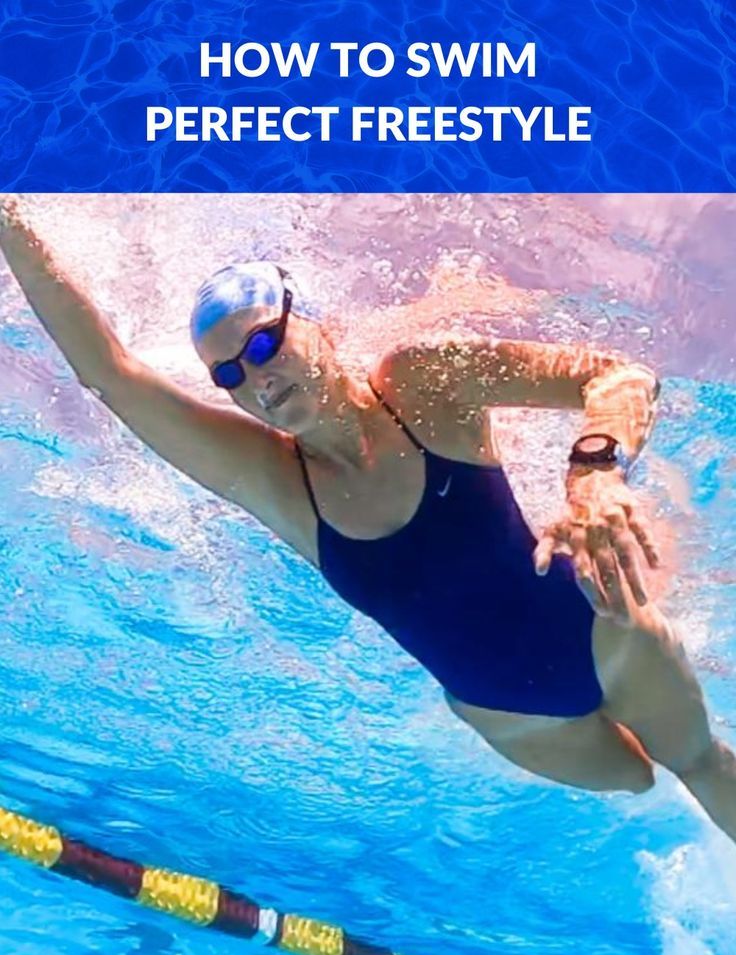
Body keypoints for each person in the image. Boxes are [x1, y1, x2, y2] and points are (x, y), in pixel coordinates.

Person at [2, 198, 735, 844]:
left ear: (317, 325)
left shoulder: (423, 382)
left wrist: (596, 474)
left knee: (700, 763)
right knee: (640, 783)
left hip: (599, 631)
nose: (255, 376)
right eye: (230, 373)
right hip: (517, 721)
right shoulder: (278, 483)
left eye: (263, 344)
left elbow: (617, 377)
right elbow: (109, 373)